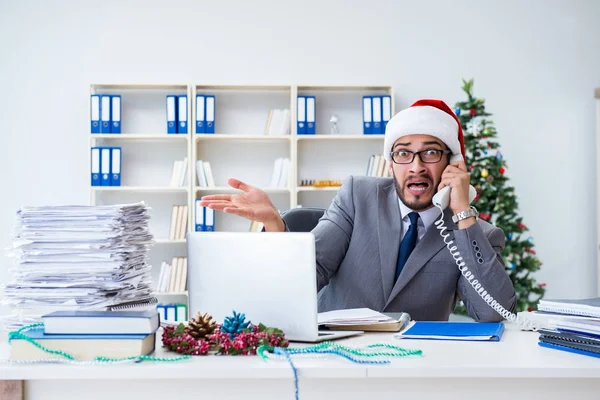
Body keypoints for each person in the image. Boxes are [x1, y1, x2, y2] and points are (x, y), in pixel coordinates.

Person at [199, 99, 517, 322]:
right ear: (390, 163)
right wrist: (274, 225)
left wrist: (462, 212)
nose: (416, 167)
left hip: (413, 371)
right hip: (333, 361)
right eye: (404, 153)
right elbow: (308, 274)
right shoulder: (358, 195)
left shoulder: (477, 234)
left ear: (452, 164)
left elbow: (495, 313)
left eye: (430, 153)